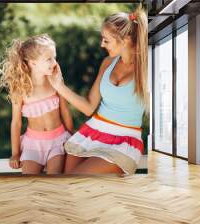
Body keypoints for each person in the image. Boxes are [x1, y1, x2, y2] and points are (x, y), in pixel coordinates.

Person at [47, 6, 148, 175]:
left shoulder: (146, 69)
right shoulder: (108, 62)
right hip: (92, 132)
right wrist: (59, 86)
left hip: (125, 141)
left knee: (75, 182)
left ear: (124, 41)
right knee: (66, 185)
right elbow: (88, 107)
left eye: (106, 40)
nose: (102, 44)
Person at [0, 34, 74, 174]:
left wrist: (71, 138)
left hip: (58, 142)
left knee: (54, 179)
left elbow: (65, 111)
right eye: (49, 59)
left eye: (54, 58)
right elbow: (16, 123)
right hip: (33, 144)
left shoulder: (55, 81)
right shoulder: (20, 89)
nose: (54, 63)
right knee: (29, 182)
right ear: (33, 63)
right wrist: (15, 153)